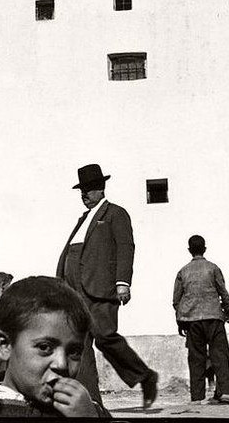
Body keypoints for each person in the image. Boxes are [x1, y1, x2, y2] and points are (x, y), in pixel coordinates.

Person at [55, 163, 158, 408]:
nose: (84, 194)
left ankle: (144, 376)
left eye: (89, 188)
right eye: (82, 190)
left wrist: (123, 283)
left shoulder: (115, 213)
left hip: (99, 288)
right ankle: (91, 401)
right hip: (74, 291)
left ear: (101, 188)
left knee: (104, 336)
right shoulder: (83, 219)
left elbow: (125, 247)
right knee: (79, 345)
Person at [0, 276, 111, 417]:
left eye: (74, 352)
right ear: (5, 345)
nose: (62, 364)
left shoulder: (88, 410)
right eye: (44, 347)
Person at [173, 234, 229, 404]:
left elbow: (176, 301)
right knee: (220, 355)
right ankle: (225, 391)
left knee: (196, 358)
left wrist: (180, 321)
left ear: (189, 250)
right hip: (214, 318)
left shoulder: (183, 271)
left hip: (191, 320)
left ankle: (197, 397)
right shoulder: (213, 268)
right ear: (204, 249)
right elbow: (224, 295)